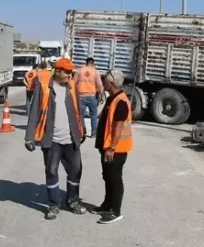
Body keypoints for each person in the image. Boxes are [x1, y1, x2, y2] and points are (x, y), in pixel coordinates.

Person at [25, 58, 87, 220]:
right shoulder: (45, 86)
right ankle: (54, 204)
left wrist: (82, 130)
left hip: (71, 138)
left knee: (75, 171)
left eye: (71, 72)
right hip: (51, 140)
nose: (69, 75)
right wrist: (29, 137)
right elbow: (34, 112)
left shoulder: (72, 86)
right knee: (51, 171)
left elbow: (78, 110)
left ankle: (72, 201)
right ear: (57, 71)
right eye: (66, 71)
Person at [94, 68, 132, 224]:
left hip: (116, 150)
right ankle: (107, 205)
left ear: (111, 82)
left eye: (104, 79)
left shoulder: (121, 101)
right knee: (107, 177)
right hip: (107, 147)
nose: (102, 82)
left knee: (115, 179)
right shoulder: (112, 98)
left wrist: (111, 148)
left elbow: (118, 127)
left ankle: (115, 211)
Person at [73, 57, 104, 134]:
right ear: (93, 63)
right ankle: (93, 132)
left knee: (81, 115)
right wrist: (102, 95)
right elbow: (100, 84)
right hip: (92, 96)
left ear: (86, 62)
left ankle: (82, 131)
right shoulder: (96, 72)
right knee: (93, 115)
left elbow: (73, 83)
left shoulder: (79, 71)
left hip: (81, 96)